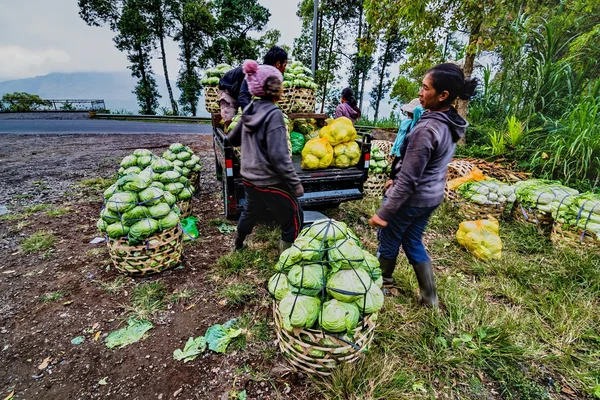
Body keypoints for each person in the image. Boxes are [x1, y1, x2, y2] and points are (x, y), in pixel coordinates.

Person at [368, 63, 478, 308]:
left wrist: (384, 212)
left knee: (389, 237)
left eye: (425, 88)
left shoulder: (427, 129)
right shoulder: (448, 122)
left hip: (412, 199)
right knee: (413, 240)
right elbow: (422, 165)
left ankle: (383, 281)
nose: (419, 92)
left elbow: (409, 179)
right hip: (431, 196)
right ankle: (430, 297)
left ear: (443, 95)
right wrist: (394, 177)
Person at [228, 60, 304, 253]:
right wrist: (295, 184)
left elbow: (232, 139)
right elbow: (279, 157)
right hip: (270, 182)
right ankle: (287, 257)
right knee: (293, 215)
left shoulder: (249, 111)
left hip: (249, 178)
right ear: (275, 90)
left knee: (250, 211)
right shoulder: (274, 115)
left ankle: (238, 244)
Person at [218, 46, 288, 128]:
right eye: (285, 65)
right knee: (231, 123)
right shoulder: (257, 73)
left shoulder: (271, 77)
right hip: (229, 90)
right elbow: (243, 96)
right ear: (278, 64)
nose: (285, 69)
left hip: (241, 91)